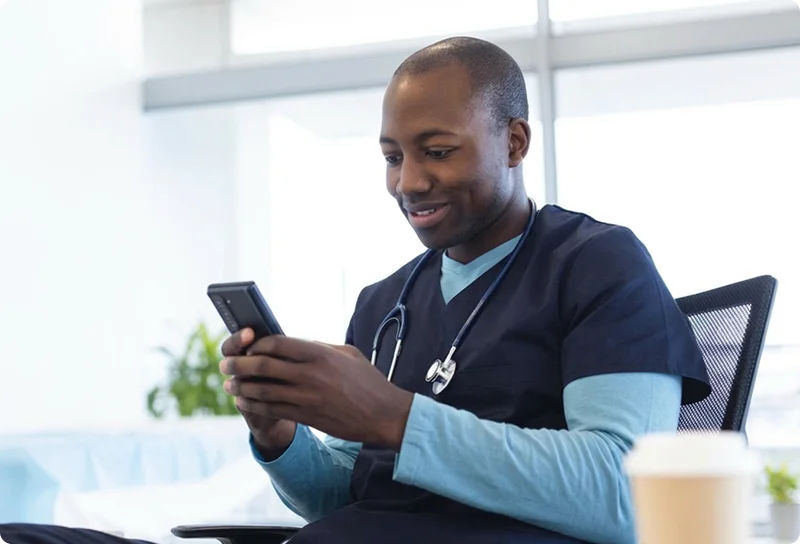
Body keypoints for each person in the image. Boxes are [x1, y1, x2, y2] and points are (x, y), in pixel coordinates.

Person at [0, 36, 710, 544]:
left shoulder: (598, 265)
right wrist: (277, 434)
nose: (408, 183)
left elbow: (630, 496)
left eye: (437, 151)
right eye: (393, 157)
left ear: (515, 142)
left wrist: (395, 417)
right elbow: (348, 494)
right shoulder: (387, 301)